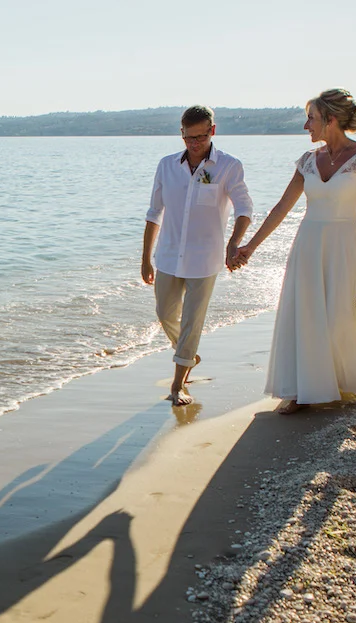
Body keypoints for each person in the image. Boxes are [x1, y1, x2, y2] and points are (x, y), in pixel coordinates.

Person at [233, 89, 356, 415]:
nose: (307, 126)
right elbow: (281, 208)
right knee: (305, 312)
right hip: (308, 243)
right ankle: (300, 389)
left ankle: (342, 383)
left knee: (342, 315)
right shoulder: (307, 162)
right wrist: (250, 246)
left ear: (330, 119)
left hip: (345, 242)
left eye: (312, 118)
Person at [141, 105, 253, 406]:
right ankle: (188, 354)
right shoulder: (166, 165)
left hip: (205, 259)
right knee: (165, 314)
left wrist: (235, 243)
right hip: (167, 256)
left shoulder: (229, 166)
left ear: (212, 131)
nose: (194, 144)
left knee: (192, 322)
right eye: (189, 137)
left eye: (201, 137)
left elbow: (245, 209)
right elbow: (154, 213)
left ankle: (178, 385)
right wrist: (145, 257)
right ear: (181, 133)